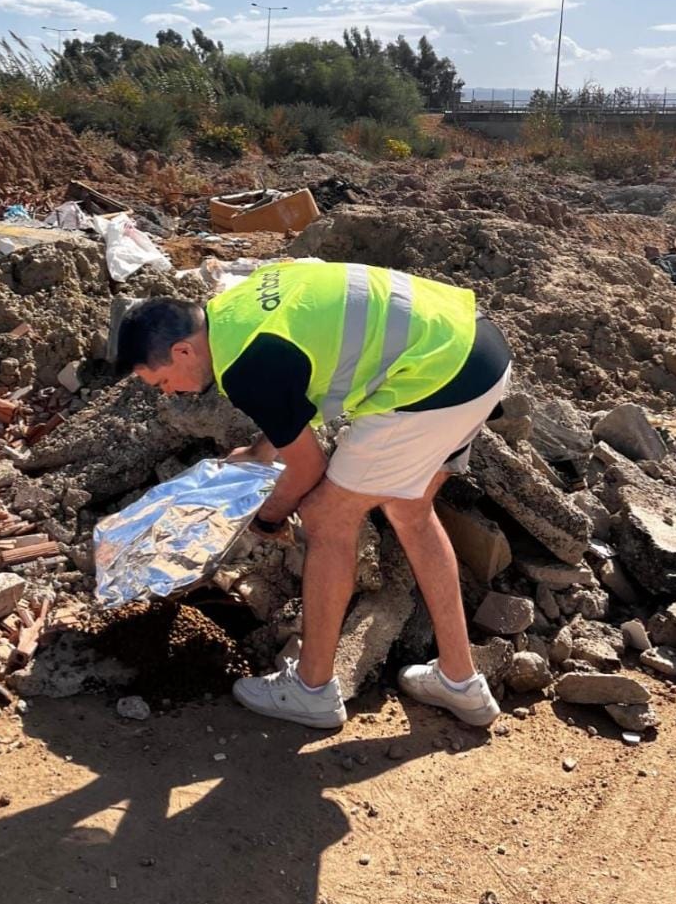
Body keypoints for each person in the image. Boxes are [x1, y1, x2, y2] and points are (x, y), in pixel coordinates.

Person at [115, 260, 512, 730]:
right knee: (410, 511)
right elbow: (308, 386)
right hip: (476, 350)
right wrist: (261, 452)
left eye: (162, 382)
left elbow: (308, 467)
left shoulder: (246, 365)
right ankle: (460, 681)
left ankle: (311, 690)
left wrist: (267, 520)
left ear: (182, 351)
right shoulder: (235, 309)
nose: (169, 394)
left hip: (431, 382)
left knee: (325, 517)